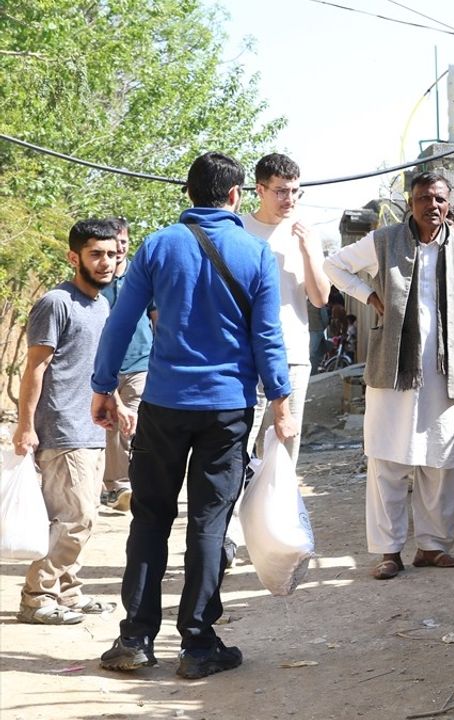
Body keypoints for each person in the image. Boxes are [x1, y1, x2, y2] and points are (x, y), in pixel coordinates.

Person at [92, 152, 297, 678]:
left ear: (188, 194)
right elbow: (267, 337)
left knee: (150, 518)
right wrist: (280, 400)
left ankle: (135, 639)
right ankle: (199, 646)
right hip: (227, 408)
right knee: (209, 523)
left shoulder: (158, 245)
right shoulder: (253, 253)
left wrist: (102, 386)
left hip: (163, 404)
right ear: (235, 197)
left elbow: (121, 321)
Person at [323, 172, 454, 580]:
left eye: (439, 199)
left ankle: (432, 547)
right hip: (392, 369)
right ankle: (388, 551)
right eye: (423, 198)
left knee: (441, 463)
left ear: (448, 203)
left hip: (447, 370)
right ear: (409, 203)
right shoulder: (383, 241)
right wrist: (369, 295)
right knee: (388, 461)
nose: (432, 206)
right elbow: (334, 265)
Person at [13, 219, 123, 625]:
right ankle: (37, 596)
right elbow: (35, 369)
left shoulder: (101, 304)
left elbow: (91, 367)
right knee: (76, 518)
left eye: (112, 254)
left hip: (92, 426)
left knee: (76, 515)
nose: (106, 262)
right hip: (61, 426)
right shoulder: (56, 303)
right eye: (96, 254)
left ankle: (68, 591)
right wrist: (26, 426)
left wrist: (114, 404)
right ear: (73, 257)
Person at [241, 153, 330, 459]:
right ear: (260, 190)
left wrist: (306, 251)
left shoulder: (306, 234)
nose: (289, 199)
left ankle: (278, 509)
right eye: (281, 191)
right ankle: (238, 508)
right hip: (244, 354)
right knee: (238, 448)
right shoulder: (238, 230)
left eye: (295, 191)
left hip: (291, 354)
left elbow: (320, 298)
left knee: (283, 450)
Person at [99, 217, 151, 512]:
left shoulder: (142, 276)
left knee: (133, 421)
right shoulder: (97, 279)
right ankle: (116, 485)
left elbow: (157, 316)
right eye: (113, 242)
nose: (119, 248)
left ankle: (130, 484)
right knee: (112, 424)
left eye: (123, 242)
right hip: (104, 364)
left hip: (141, 361)